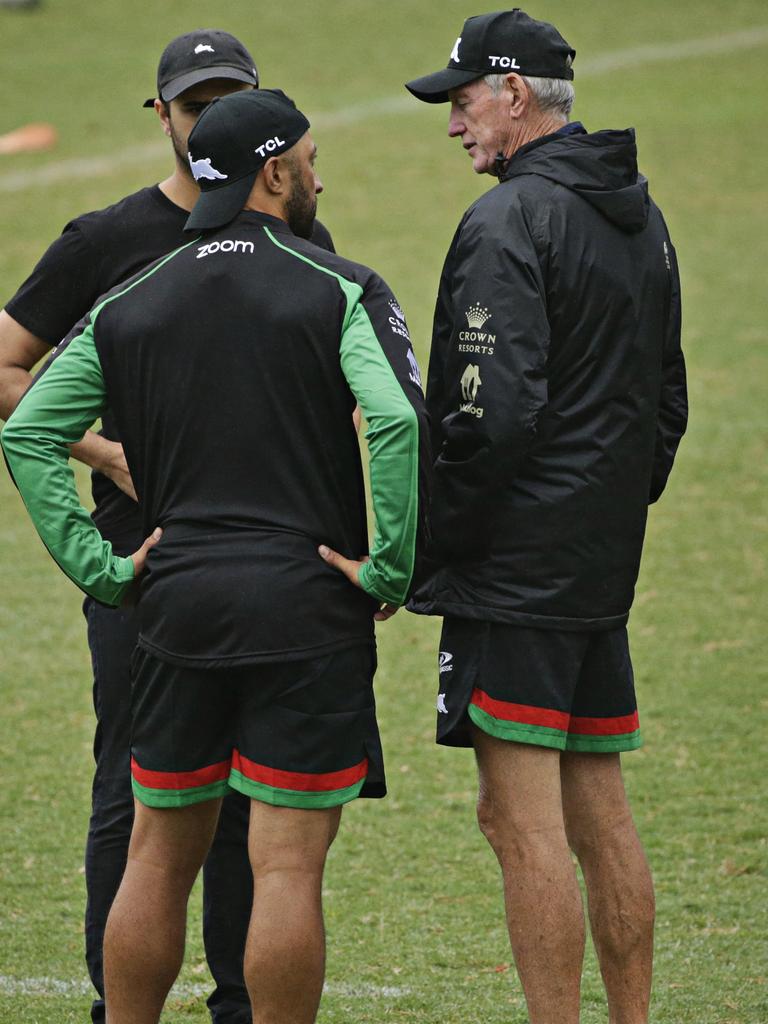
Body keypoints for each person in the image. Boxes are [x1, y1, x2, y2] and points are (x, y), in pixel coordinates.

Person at [2, 87, 430, 1024]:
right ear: (274, 173)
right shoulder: (342, 285)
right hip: (306, 609)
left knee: (155, 857)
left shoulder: (130, 298)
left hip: (174, 606)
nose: (319, 174)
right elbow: (397, 420)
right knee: (284, 868)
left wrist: (103, 569)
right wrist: (391, 567)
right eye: (310, 159)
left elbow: (29, 432)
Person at [404, 10, 687, 1024]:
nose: (453, 125)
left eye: (463, 100)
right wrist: (602, 514)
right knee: (602, 812)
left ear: (514, 92)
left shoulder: (507, 221)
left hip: (513, 570)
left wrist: (440, 543)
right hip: (597, 565)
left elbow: (492, 417)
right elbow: (667, 405)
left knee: (518, 823)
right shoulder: (638, 213)